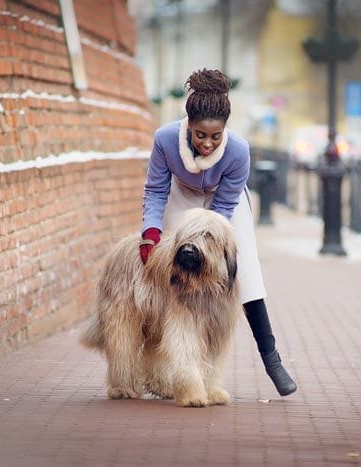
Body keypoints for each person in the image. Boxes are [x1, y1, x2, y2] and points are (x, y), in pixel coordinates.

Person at [139, 68, 297, 397]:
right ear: (188, 126)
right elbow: (155, 191)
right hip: (181, 196)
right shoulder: (165, 139)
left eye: (215, 136)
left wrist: (207, 246)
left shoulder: (238, 150)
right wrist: (150, 233)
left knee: (246, 272)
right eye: (199, 135)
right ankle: (172, 362)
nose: (207, 143)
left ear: (225, 130)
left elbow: (223, 208)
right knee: (172, 271)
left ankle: (271, 359)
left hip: (224, 207)